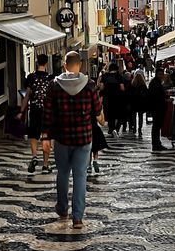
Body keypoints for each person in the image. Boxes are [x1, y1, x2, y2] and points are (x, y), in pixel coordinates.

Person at [41, 49, 103, 229]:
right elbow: (97, 110)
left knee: (62, 173)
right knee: (80, 176)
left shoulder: (54, 86)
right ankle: (77, 217)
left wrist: (45, 137)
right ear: (80, 65)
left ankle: (62, 208)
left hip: (61, 137)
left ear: (64, 65)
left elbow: (47, 114)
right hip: (83, 138)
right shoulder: (89, 85)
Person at [19, 53, 54, 175]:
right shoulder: (51, 78)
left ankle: (34, 156)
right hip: (47, 111)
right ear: (46, 63)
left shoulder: (31, 77)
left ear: (37, 62)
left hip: (34, 110)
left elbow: (27, 95)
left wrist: (21, 111)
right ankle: (45, 164)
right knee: (46, 137)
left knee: (33, 135)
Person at [101, 60, 127, 134]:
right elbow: (122, 88)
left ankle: (111, 128)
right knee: (118, 114)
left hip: (107, 98)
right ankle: (117, 128)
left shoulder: (105, 76)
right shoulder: (119, 77)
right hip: (118, 98)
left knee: (110, 114)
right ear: (117, 69)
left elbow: (102, 87)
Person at [148, 63, 169, 152]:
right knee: (156, 126)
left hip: (157, 108)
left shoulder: (157, 82)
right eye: (160, 74)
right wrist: (166, 100)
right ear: (157, 74)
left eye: (162, 74)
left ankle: (157, 143)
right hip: (157, 108)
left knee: (157, 126)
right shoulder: (155, 83)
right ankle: (156, 144)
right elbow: (156, 96)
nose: (161, 76)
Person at [128, 69, 148, 136]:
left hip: (134, 103)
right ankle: (140, 129)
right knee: (140, 116)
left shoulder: (132, 85)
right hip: (141, 103)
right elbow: (146, 95)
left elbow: (129, 95)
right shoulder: (144, 86)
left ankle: (134, 128)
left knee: (134, 116)